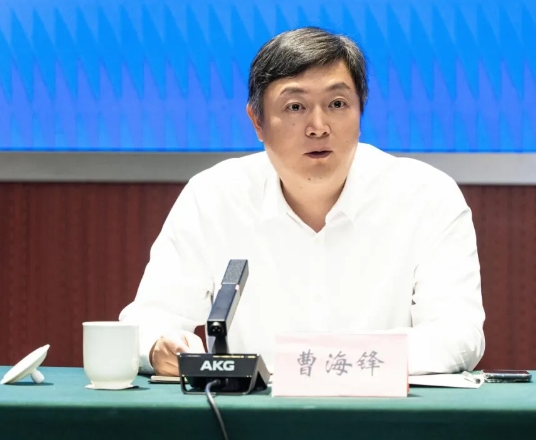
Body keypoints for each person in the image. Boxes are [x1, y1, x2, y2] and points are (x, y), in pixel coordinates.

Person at [119, 26, 486, 377]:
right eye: (295, 107)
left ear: (360, 111)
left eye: (337, 103)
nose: (318, 126)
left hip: (383, 411)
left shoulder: (426, 196)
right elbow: (149, 320)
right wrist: (160, 346)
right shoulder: (214, 197)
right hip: (251, 414)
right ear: (257, 121)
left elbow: (458, 335)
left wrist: (326, 364)